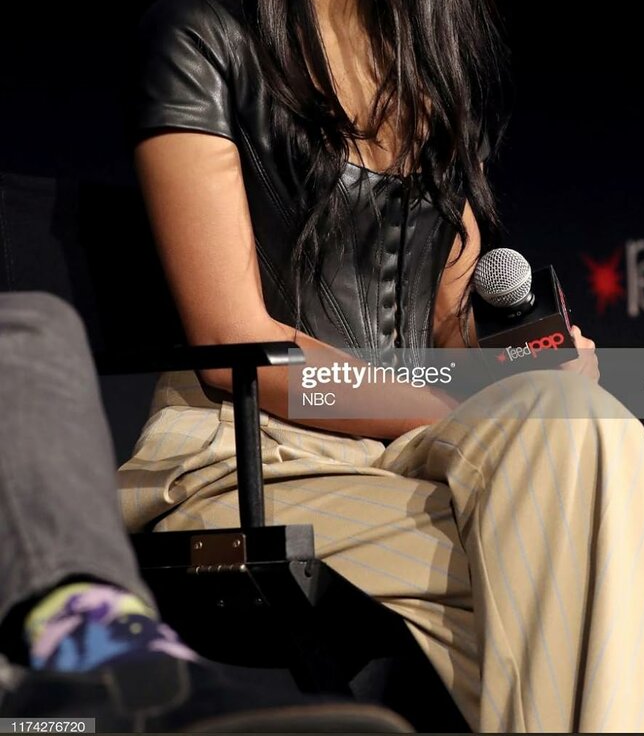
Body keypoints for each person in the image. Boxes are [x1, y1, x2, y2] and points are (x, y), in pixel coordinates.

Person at [116, 0, 644, 733]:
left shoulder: (430, 76)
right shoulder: (200, 34)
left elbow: (445, 335)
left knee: (593, 453)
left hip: (401, 457)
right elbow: (237, 350)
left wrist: (519, 365)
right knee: (629, 563)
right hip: (249, 458)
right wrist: (467, 402)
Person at [0, 291, 410, 732]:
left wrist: (460, 391)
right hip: (255, 443)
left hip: (398, 445)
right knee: (32, 329)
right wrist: (445, 403)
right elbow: (232, 335)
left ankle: (114, 663)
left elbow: (442, 361)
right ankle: (101, 650)